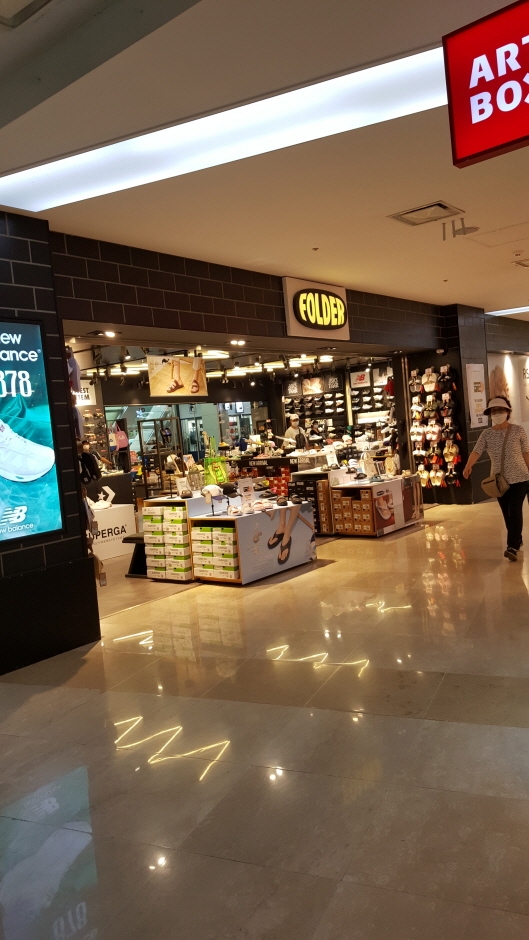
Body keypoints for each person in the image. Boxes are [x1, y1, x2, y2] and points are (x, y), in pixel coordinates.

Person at [463, 396, 529, 562]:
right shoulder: (486, 434)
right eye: (493, 411)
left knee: (514, 510)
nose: (497, 413)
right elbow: (476, 451)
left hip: (520, 477)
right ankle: (517, 538)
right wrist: (468, 465)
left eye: (500, 410)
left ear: (507, 412)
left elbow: (526, 452)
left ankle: (512, 547)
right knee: (507, 513)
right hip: (498, 481)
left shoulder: (518, 430)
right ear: (489, 414)